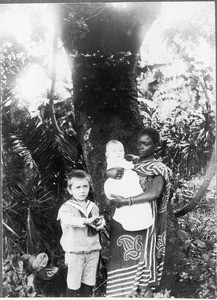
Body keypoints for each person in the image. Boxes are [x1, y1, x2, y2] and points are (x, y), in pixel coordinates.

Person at [105, 128, 171, 298]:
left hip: (146, 220)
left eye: (146, 143)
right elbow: (111, 176)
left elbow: (155, 193)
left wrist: (127, 201)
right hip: (123, 220)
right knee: (121, 258)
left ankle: (141, 293)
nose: (141, 147)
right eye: (139, 143)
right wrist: (108, 173)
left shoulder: (159, 168)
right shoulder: (130, 164)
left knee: (140, 260)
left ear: (156, 146)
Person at [57, 169, 105, 297]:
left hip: (93, 250)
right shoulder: (66, 207)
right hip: (75, 252)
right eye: (78, 187)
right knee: (73, 283)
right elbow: (68, 220)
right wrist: (86, 221)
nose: (82, 191)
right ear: (70, 190)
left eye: (85, 186)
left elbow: (98, 223)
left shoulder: (93, 206)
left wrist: (100, 223)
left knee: (88, 282)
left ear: (89, 187)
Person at [104, 140, 154, 231]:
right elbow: (123, 168)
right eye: (114, 151)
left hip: (132, 188)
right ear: (107, 155)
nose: (118, 153)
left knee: (139, 205)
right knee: (128, 209)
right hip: (121, 188)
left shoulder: (126, 163)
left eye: (120, 151)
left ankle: (140, 222)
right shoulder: (113, 164)